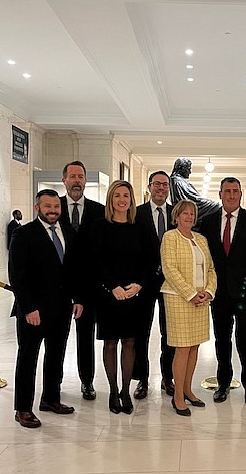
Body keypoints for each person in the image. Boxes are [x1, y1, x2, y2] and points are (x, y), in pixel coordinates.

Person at [9, 189, 83, 428]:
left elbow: (73, 270)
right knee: (28, 358)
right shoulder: (23, 234)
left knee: (56, 355)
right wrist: (28, 308)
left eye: (56, 206)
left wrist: (78, 298)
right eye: (47, 206)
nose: (53, 210)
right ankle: (22, 408)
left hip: (62, 308)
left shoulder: (68, 232)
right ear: (37, 207)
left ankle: (50, 399)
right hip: (34, 311)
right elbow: (17, 276)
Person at [199, 177, 246, 406]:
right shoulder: (207, 222)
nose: (230, 195)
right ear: (220, 194)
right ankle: (223, 383)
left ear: (240, 194)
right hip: (218, 293)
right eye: (226, 191)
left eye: (235, 191)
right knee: (222, 339)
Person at [91, 180, 149, 415]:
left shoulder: (140, 226)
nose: (122, 200)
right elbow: (96, 260)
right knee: (111, 342)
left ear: (131, 199)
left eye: (126, 195)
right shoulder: (100, 225)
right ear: (110, 199)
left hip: (133, 294)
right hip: (109, 294)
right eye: (117, 195)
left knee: (130, 342)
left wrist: (139, 284)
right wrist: (111, 286)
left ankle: (126, 390)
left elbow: (150, 259)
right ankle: (113, 390)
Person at [160, 200, 217, 416]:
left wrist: (208, 292)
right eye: (184, 213)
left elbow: (210, 268)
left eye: (192, 214)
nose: (189, 217)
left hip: (201, 299)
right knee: (182, 347)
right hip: (179, 298)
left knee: (194, 346)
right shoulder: (170, 237)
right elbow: (169, 269)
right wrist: (191, 294)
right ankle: (177, 397)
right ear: (176, 216)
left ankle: (187, 390)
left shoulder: (201, 239)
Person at [59, 160, 105, 401]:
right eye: (72, 176)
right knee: (57, 338)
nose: (77, 180)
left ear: (86, 181)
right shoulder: (53, 207)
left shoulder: (98, 211)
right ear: (64, 180)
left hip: (88, 289)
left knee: (85, 338)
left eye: (80, 176)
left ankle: (87, 382)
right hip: (58, 287)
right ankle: (54, 382)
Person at [132, 171, 176, 399]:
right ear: (149, 187)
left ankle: (168, 378)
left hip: (171, 283)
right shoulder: (137, 214)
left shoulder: (176, 214)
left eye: (164, 184)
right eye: (156, 184)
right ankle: (142, 379)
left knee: (170, 332)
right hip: (145, 282)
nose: (161, 188)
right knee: (142, 331)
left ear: (169, 188)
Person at [170, 158, 220, 227]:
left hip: (195, 203)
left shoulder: (180, 181)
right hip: (192, 205)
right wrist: (209, 203)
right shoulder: (177, 181)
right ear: (181, 168)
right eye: (188, 168)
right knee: (217, 206)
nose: (190, 172)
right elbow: (191, 198)